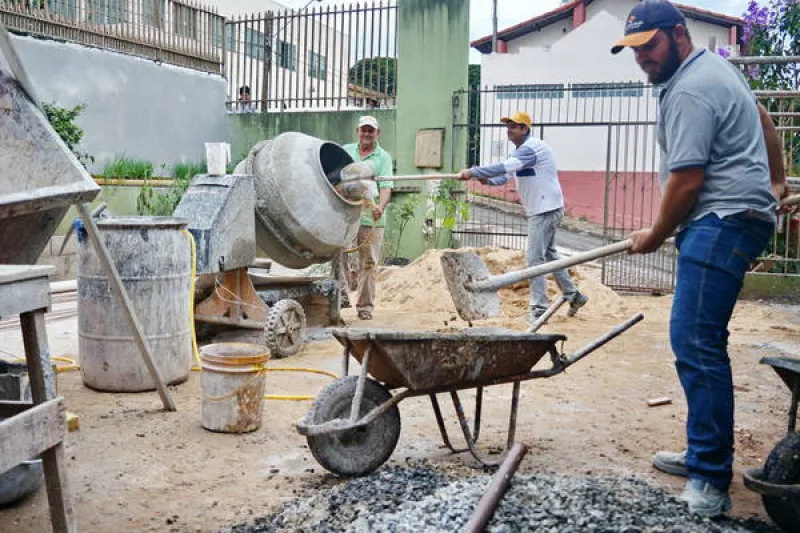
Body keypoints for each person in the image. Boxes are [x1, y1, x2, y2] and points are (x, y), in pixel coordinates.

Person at [611, 0, 786, 517]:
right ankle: (701, 453)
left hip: (722, 220)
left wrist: (655, 233)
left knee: (695, 340)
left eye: (649, 47)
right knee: (698, 339)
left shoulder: (689, 88)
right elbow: (765, 120)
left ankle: (710, 478)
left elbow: (687, 181)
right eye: (634, 52)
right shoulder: (715, 68)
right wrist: (774, 183)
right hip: (735, 214)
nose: (642, 59)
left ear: (677, 35)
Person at [457, 111, 588, 322]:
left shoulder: (532, 149)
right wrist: (485, 180)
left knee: (535, 259)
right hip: (545, 207)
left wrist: (474, 171)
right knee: (550, 255)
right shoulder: (518, 153)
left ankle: (539, 309)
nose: (509, 130)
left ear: (525, 129)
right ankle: (574, 295)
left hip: (545, 209)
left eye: (514, 127)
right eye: (508, 127)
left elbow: (504, 168)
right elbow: (503, 177)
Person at [340, 115, 393, 320]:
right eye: (364, 130)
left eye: (371, 130)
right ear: (357, 131)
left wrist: (380, 206)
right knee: (338, 255)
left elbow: (387, 187)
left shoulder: (383, 157)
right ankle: (341, 297)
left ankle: (364, 307)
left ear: (377, 133)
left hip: (370, 217)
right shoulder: (346, 151)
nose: (367, 134)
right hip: (344, 215)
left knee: (368, 262)